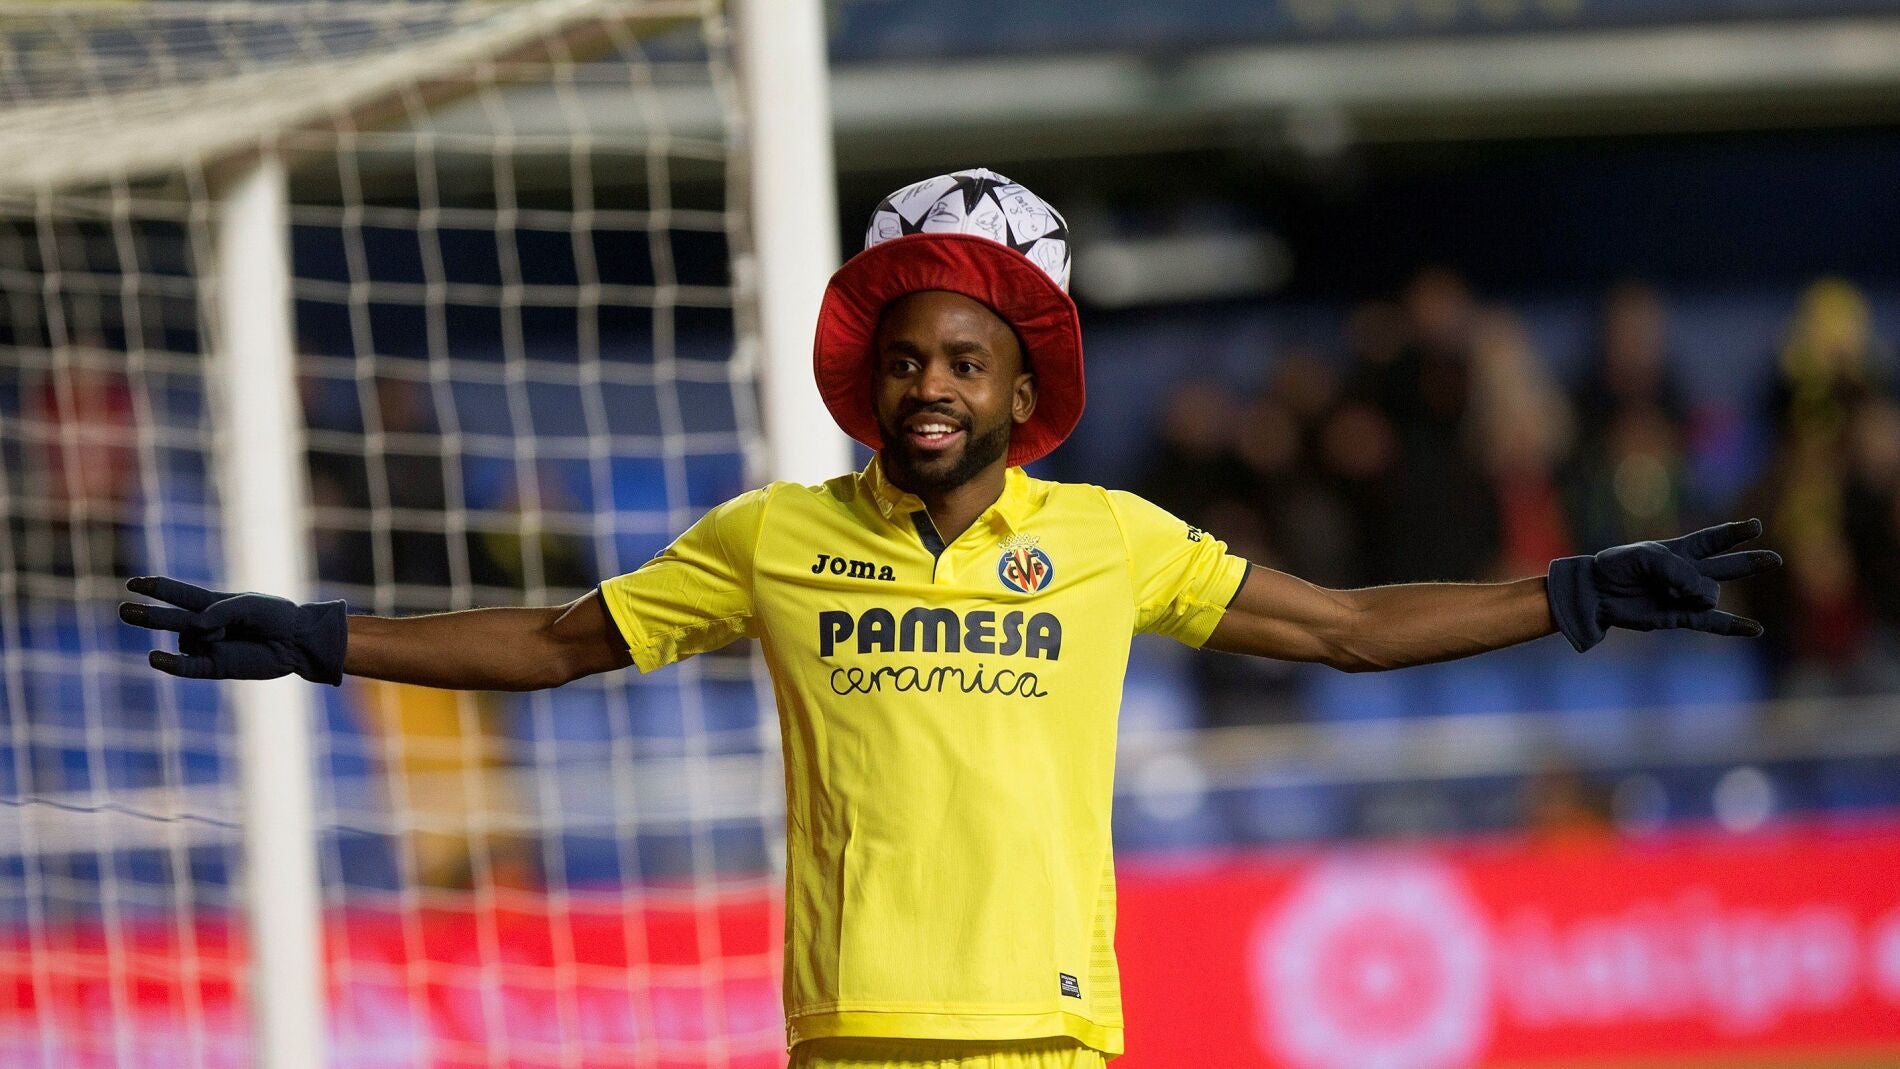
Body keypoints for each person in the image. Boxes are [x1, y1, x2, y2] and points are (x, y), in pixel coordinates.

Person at [120, 169, 1781, 1068]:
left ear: (1019, 387)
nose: (928, 383)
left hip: (1055, 1034)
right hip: (852, 1039)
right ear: (874, 372)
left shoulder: (1112, 539)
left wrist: (1559, 592)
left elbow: (1346, 625)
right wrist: (326, 635)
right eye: (906, 357)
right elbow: (560, 644)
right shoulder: (770, 538)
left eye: (962, 362)